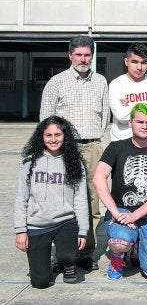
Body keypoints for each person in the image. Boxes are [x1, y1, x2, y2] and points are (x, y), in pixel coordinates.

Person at [39, 35, 108, 271]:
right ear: (70, 55)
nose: (83, 59)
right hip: (64, 149)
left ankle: (87, 253)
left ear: (92, 56)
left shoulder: (100, 82)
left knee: (91, 201)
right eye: (78, 54)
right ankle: (64, 254)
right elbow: (45, 120)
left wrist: (95, 140)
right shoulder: (56, 82)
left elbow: (105, 116)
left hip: (92, 147)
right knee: (62, 200)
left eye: (87, 55)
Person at [93, 103, 147, 281]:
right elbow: (98, 178)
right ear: (130, 123)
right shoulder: (115, 148)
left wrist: (135, 216)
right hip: (122, 211)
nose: (144, 126)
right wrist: (116, 212)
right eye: (140, 122)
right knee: (120, 242)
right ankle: (117, 258)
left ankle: (137, 245)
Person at [14, 116, 89, 288]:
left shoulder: (75, 163)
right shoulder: (29, 162)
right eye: (49, 135)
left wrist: (83, 231)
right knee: (40, 283)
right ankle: (47, 260)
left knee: (69, 255)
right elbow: (21, 197)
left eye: (58, 134)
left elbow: (80, 199)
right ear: (41, 136)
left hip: (65, 222)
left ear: (65, 136)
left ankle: (68, 263)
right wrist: (20, 230)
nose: (53, 139)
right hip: (37, 224)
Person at [108, 42, 147, 144]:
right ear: (126, 61)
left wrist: (131, 107)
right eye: (134, 62)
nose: (139, 67)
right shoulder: (116, 84)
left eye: (143, 62)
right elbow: (121, 116)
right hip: (123, 144)